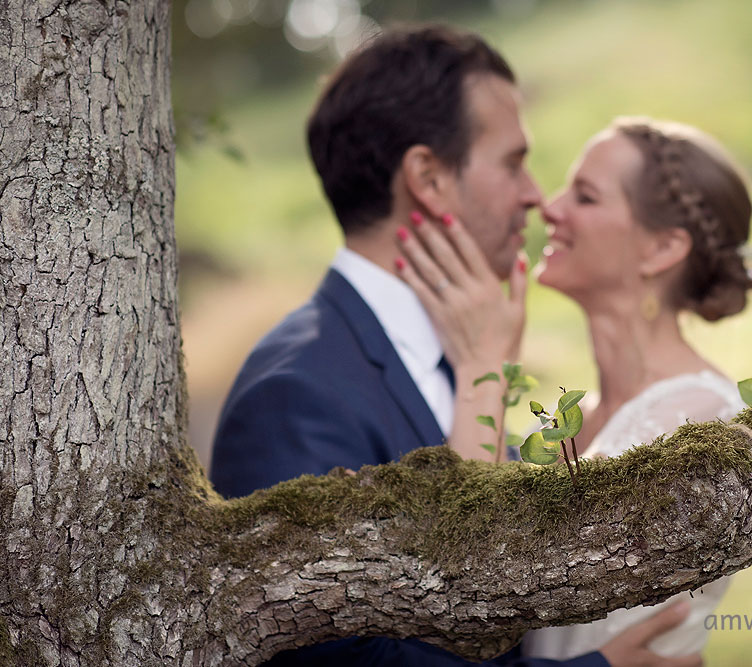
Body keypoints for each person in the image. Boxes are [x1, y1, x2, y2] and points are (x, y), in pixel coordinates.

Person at [210, 25, 701, 667]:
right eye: (512, 161)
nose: (534, 194)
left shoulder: (467, 353)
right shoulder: (294, 396)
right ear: (429, 178)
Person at [396, 117, 752, 661]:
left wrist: (483, 362)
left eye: (584, 197)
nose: (550, 207)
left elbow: (478, 573)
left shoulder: (698, 424)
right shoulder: (578, 419)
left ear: (661, 249)